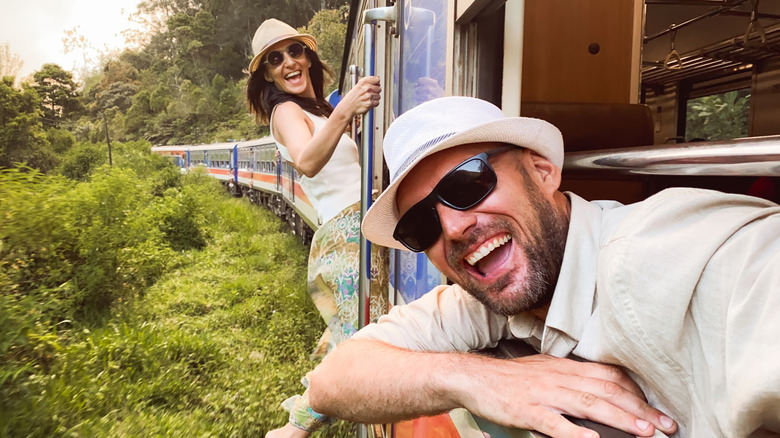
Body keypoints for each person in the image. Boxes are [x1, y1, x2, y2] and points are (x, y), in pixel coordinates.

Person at [305, 96, 780, 437]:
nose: (450, 228)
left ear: (542, 171)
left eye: (467, 183)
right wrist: (481, 378)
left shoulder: (682, 254)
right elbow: (331, 382)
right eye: (420, 224)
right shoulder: (489, 294)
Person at [245, 19, 388, 434]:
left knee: (360, 331)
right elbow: (307, 161)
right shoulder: (286, 111)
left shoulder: (318, 109)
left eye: (295, 51)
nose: (289, 62)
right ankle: (294, 428)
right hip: (343, 236)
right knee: (360, 339)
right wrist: (346, 111)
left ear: (308, 57)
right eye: (276, 59)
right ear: (267, 74)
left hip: (358, 227)